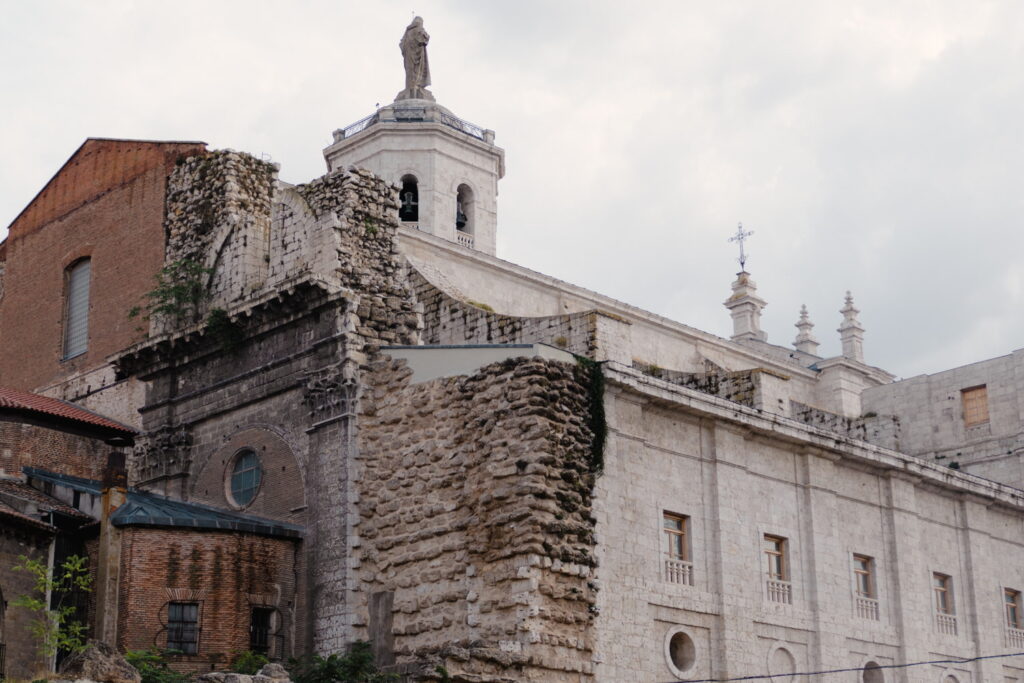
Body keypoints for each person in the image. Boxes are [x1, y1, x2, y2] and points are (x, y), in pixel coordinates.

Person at [400, 16, 431, 97]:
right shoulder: (419, 29)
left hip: (408, 57)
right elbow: (425, 38)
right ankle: (416, 87)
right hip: (418, 56)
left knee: (410, 72)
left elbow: (401, 44)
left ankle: (412, 88)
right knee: (417, 72)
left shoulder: (407, 32)